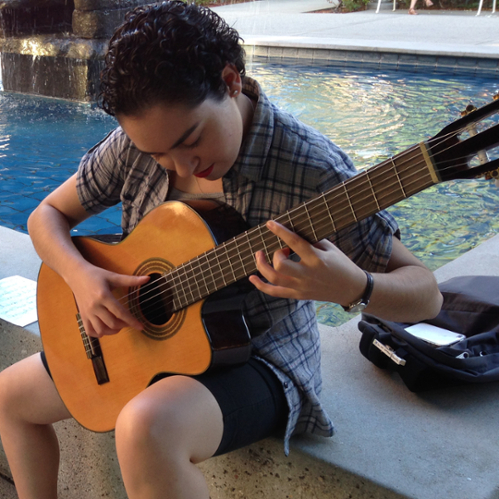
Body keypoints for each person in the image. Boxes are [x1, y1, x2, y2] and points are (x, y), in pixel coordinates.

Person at [0, 2, 443, 498]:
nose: (179, 165)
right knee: (7, 398)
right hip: (143, 342)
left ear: (231, 81)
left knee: (145, 427)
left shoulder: (313, 170)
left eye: (191, 139)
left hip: (258, 358)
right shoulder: (140, 142)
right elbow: (45, 218)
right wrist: (83, 281)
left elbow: (427, 296)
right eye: (156, 153)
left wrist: (354, 287)